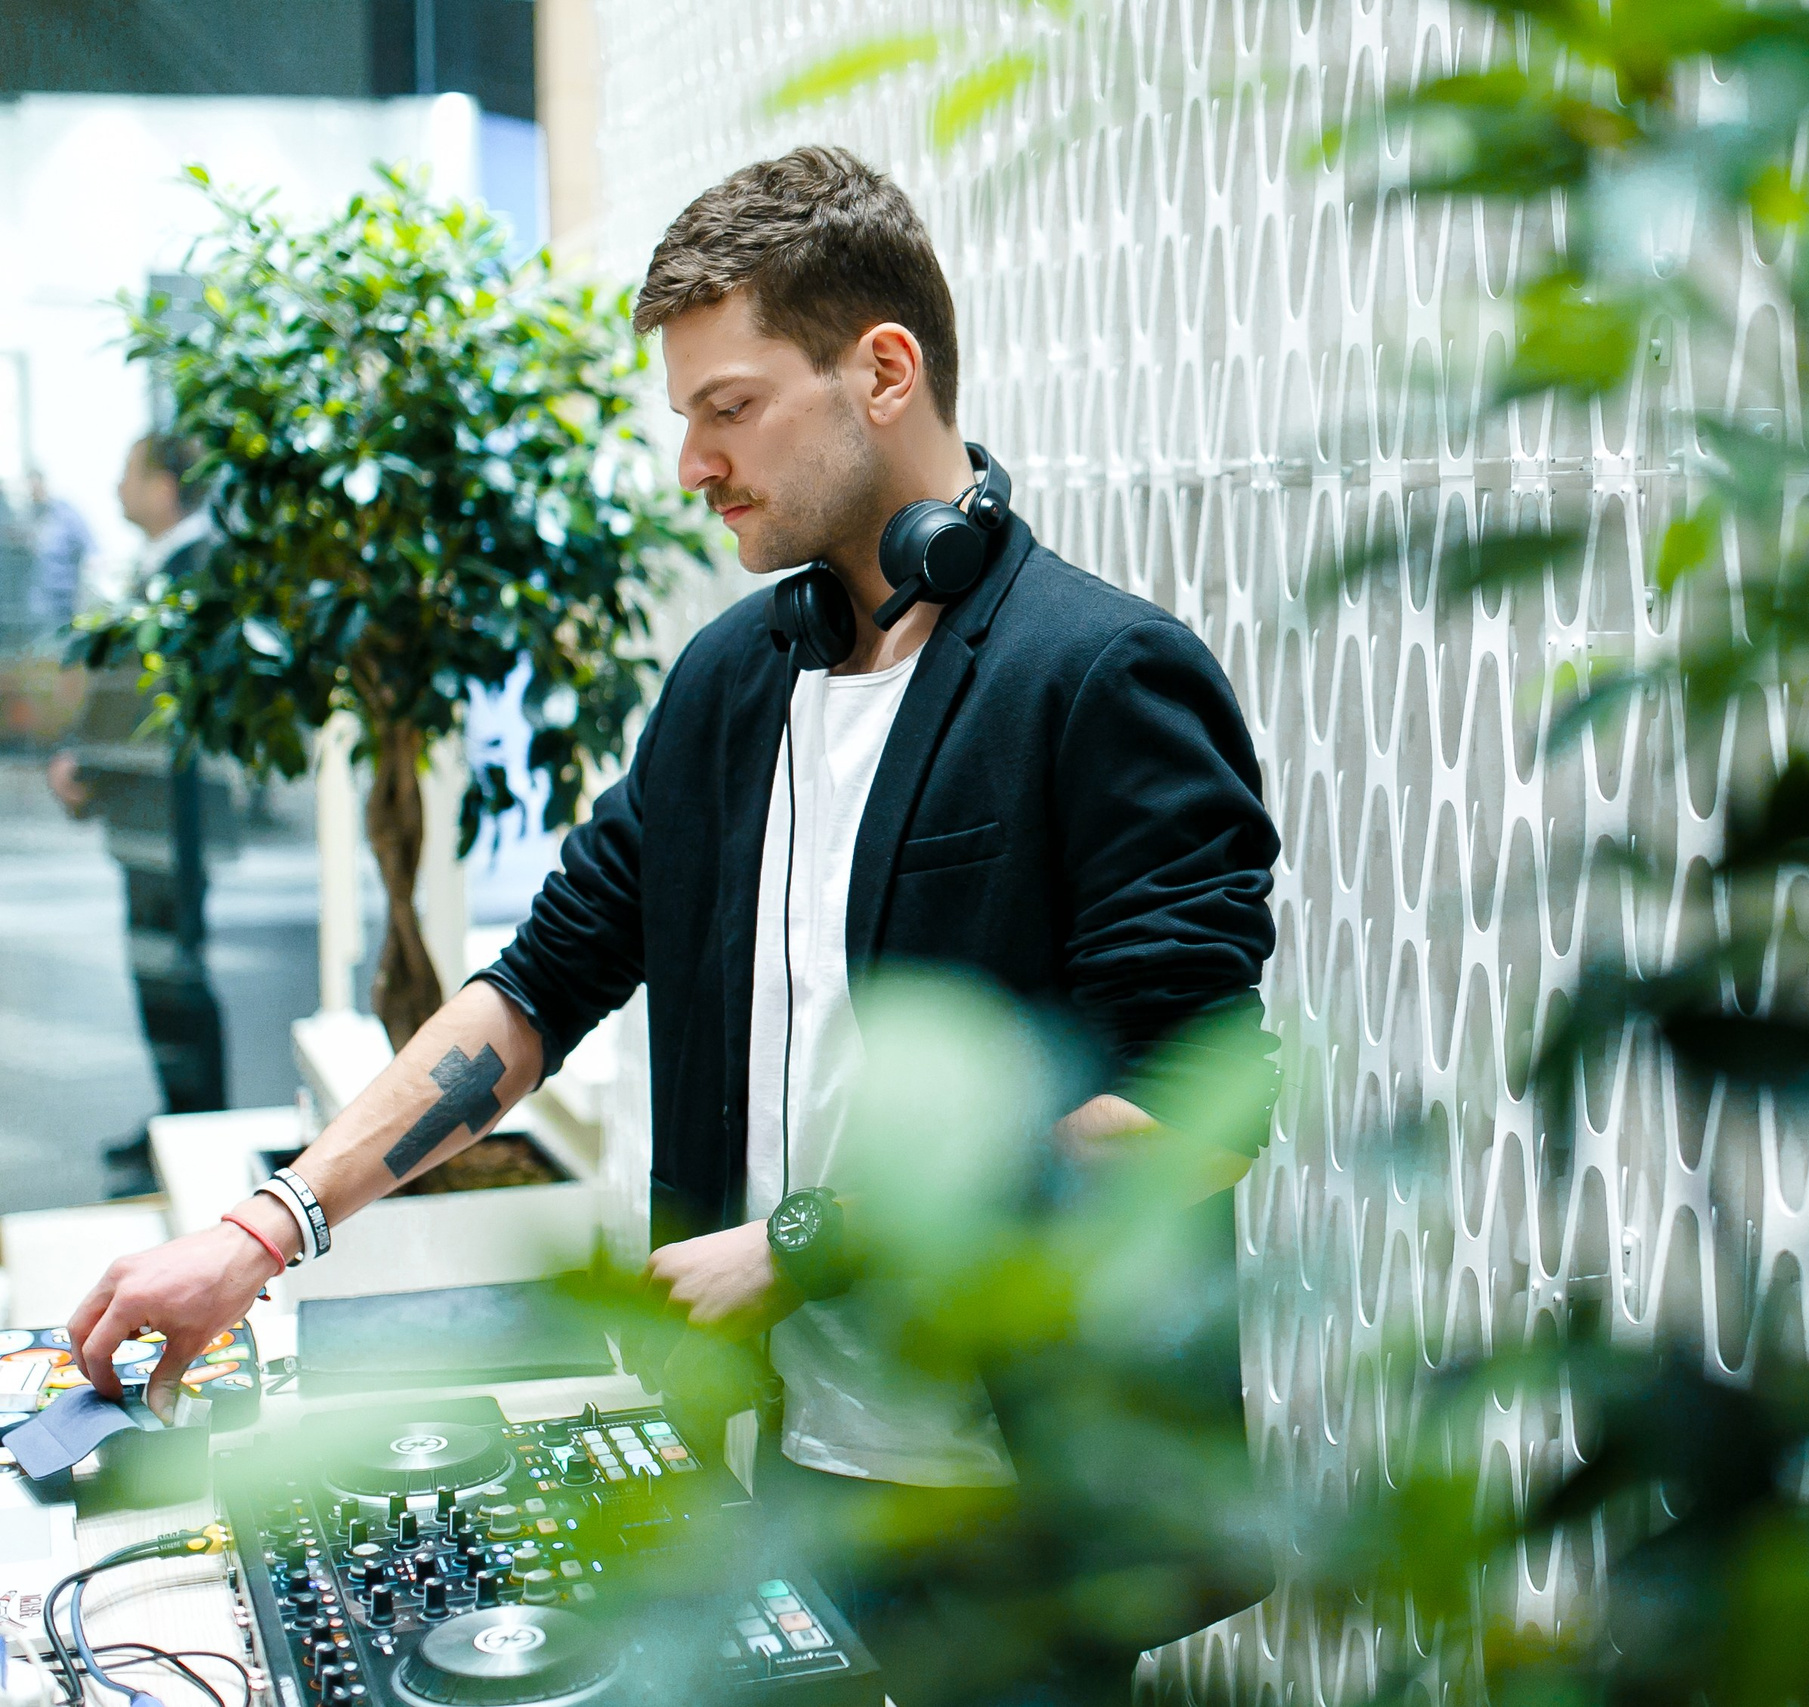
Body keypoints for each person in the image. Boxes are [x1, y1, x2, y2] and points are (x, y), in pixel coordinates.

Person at [64, 149, 1279, 1700]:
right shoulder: (729, 685)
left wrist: (806, 1244)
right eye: (682, 416)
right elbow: (534, 989)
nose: (692, 463)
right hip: (775, 1472)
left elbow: (1181, 1114)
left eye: (729, 405)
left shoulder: (1101, 676)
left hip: (1020, 1513)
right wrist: (260, 1232)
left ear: (883, 371)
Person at [48, 437, 230, 1195]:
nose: (116, 488)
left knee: (174, 974)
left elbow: (145, 697)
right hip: (151, 820)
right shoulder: (172, 566)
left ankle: (197, 1131)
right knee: (161, 974)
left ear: (162, 485)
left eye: (127, 474)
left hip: (170, 821)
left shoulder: (193, 569)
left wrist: (86, 766)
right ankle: (178, 1124)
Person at [25, 470, 94, 635]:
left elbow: (90, 547)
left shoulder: (64, 513)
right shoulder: (26, 515)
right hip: (35, 604)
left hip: (64, 599)